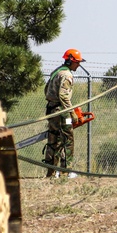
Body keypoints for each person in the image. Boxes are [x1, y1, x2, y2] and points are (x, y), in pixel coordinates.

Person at [42, 49, 84, 178]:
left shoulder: (57, 71)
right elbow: (64, 96)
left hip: (52, 109)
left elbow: (46, 89)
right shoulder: (67, 75)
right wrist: (72, 113)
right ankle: (66, 171)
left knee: (54, 139)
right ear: (71, 61)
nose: (78, 65)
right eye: (77, 62)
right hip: (62, 112)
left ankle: (51, 171)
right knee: (68, 139)